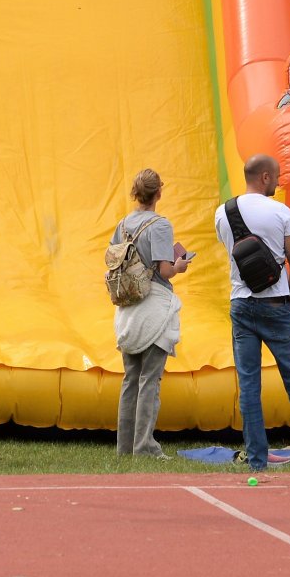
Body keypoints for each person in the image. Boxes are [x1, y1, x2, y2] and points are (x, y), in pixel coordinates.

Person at [213, 154, 290, 470]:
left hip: (240, 304)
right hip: (276, 304)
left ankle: (257, 460)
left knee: (249, 386)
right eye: (277, 177)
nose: (279, 183)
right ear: (265, 177)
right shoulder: (281, 212)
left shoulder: (223, 213)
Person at [114, 168, 193, 457]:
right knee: (150, 379)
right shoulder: (160, 226)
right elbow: (164, 271)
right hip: (154, 307)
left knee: (130, 379)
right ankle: (144, 446)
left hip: (128, 309)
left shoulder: (122, 225)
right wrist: (180, 266)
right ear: (159, 192)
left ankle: (125, 448)